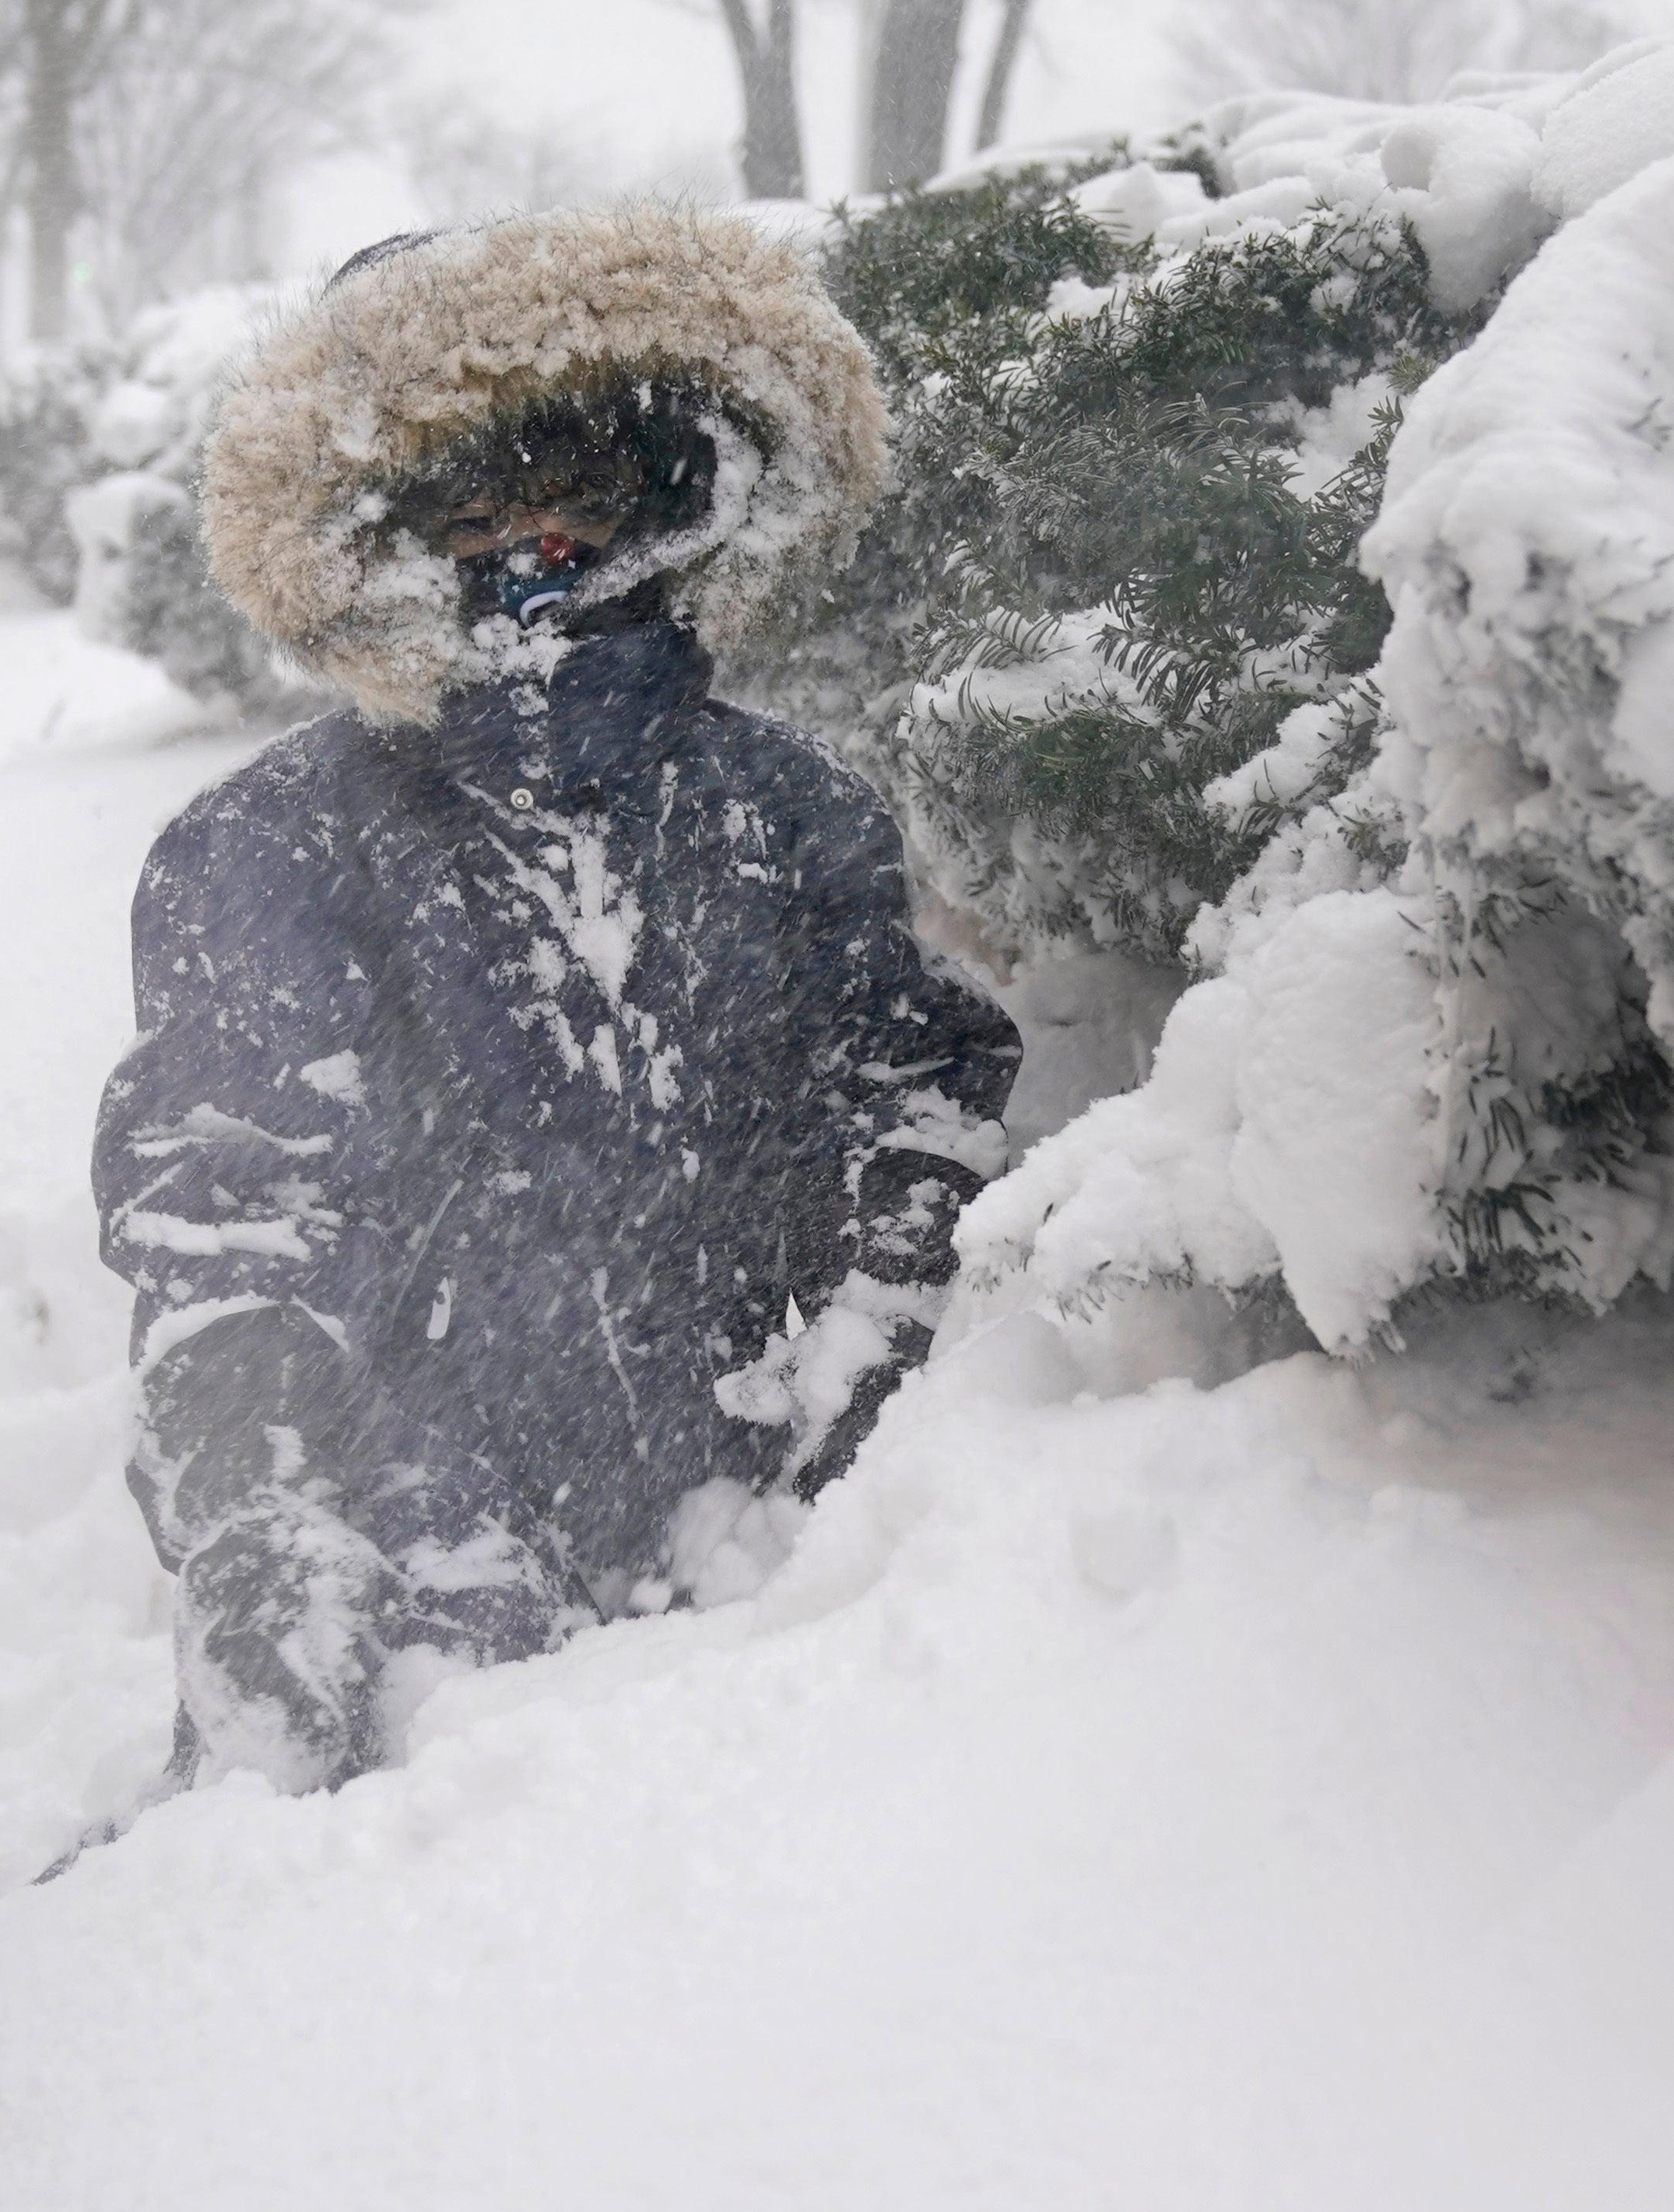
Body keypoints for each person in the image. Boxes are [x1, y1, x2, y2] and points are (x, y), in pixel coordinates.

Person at [90, 206, 1018, 1796]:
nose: (537, 529)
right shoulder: (271, 849)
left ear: (665, 484)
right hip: (426, 1621)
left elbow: (911, 1115)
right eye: (476, 490)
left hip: (788, 1590)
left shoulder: (798, 814)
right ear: (394, 527)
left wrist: (864, 1410)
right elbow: (231, 1221)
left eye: (576, 475)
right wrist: (266, 1530)